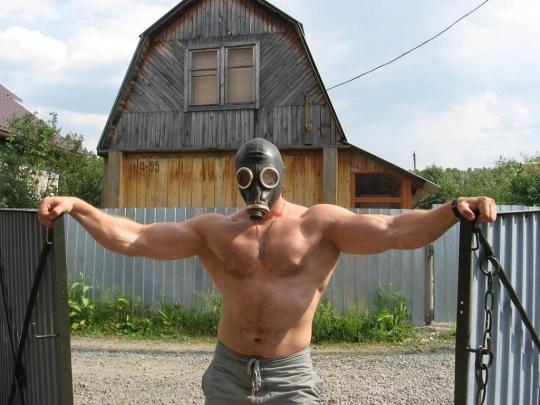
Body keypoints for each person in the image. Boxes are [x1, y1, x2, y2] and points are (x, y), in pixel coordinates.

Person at [38, 138, 497, 404]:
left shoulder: (319, 223)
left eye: (266, 176)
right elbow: (135, 238)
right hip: (228, 371)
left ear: (280, 176)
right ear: (236, 179)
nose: (256, 186)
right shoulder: (215, 231)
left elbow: (395, 229)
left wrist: (453, 210)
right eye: (246, 177)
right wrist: (78, 205)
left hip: (291, 376)